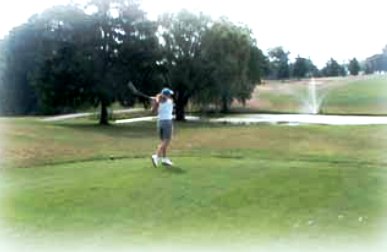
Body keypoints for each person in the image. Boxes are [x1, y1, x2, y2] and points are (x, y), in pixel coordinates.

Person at [151, 87, 174, 167]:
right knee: (166, 141)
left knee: (163, 142)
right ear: (167, 95)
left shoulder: (158, 102)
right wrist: (156, 100)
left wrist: (154, 102)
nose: (170, 96)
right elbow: (163, 99)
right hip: (167, 122)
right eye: (169, 94)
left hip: (160, 122)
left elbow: (153, 111)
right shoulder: (170, 101)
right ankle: (156, 156)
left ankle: (164, 159)